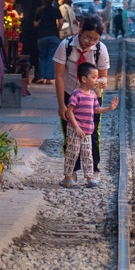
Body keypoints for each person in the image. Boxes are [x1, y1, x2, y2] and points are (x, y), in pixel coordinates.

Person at [54, 14, 112, 175]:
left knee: (91, 132)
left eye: (95, 39)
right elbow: (59, 76)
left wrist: (103, 81)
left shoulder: (101, 50)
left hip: (91, 97)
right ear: (80, 31)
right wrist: (61, 105)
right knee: (70, 132)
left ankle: (92, 170)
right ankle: (71, 169)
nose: (90, 42)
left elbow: (103, 75)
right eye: (87, 37)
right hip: (70, 95)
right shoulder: (65, 47)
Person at [62, 61, 115, 187]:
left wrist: (109, 108)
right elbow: (69, 111)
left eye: (97, 77)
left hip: (87, 131)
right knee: (72, 153)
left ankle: (89, 178)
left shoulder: (92, 94)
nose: (97, 80)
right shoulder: (76, 93)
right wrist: (76, 127)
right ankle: (67, 177)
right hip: (75, 129)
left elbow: (96, 109)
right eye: (94, 77)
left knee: (87, 154)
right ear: (84, 79)